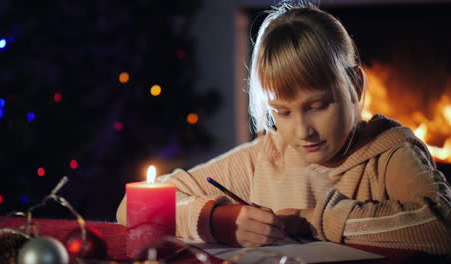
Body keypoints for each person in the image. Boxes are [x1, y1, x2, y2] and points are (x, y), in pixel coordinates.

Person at [116, 0, 451, 254]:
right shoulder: (266, 156)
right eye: (283, 112)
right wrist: (219, 222)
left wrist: (314, 221)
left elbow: (441, 228)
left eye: (317, 106)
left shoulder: (389, 152)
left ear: (356, 86)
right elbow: (132, 207)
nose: (303, 130)